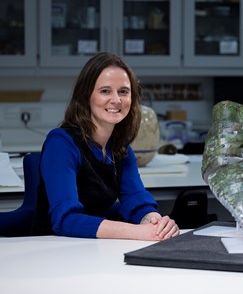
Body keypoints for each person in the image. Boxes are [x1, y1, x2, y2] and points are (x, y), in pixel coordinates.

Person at [31, 52, 179, 241]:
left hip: (95, 247)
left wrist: (155, 222)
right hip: (53, 248)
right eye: (105, 91)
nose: (116, 100)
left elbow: (136, 199)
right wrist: (138, 232)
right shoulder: (61, 143)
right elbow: (66, 220)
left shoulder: (120, 148)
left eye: (123, 91)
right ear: (86, 96)